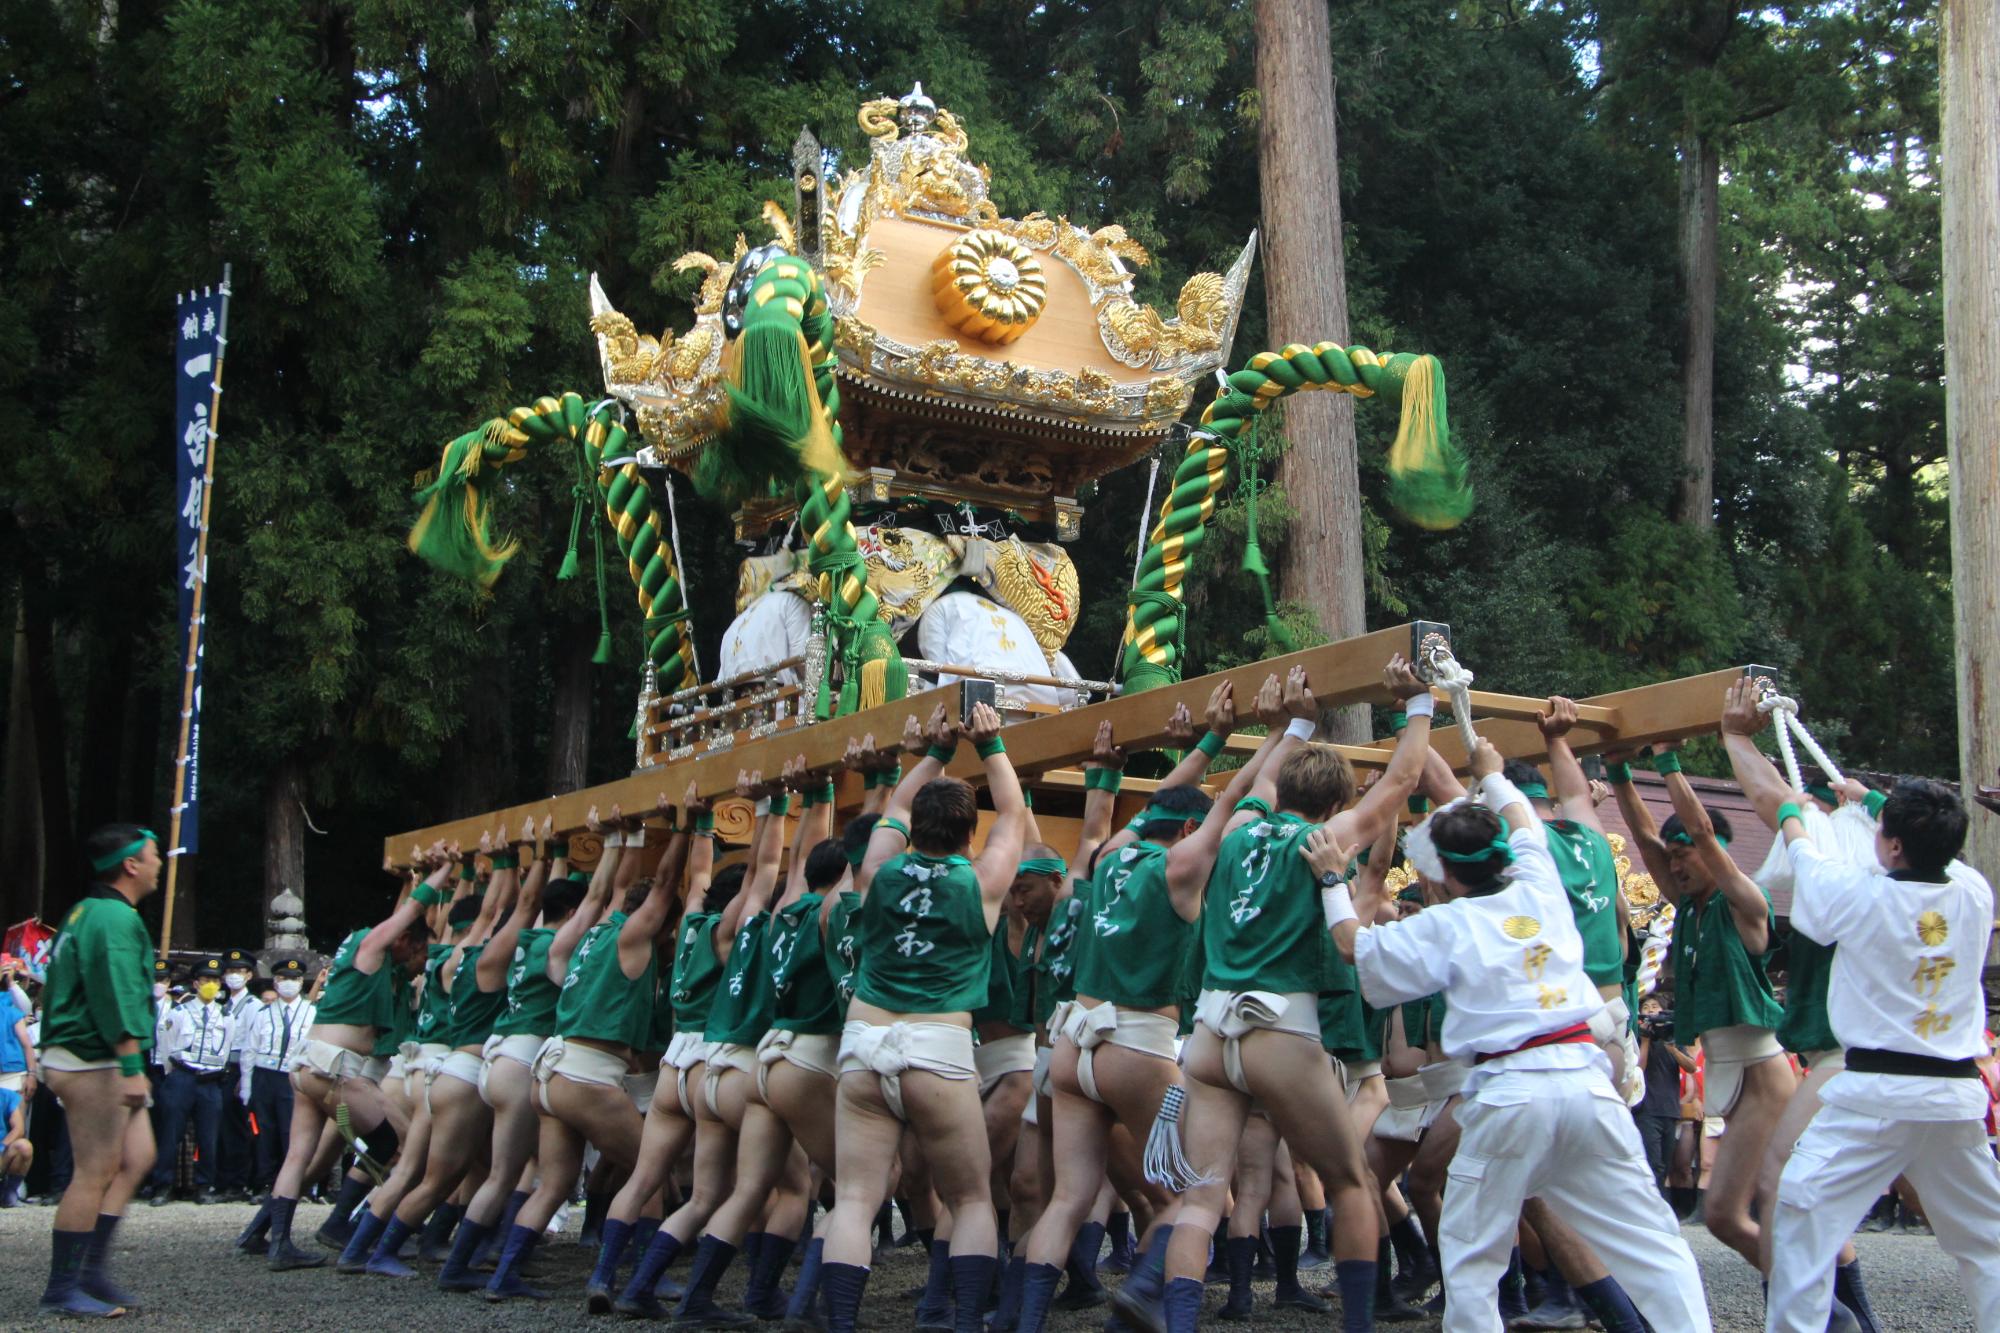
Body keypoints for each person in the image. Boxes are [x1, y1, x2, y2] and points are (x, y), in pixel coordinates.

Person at [1336, 739, 1713, 1333]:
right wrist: (1491, 772)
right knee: (1654, 1242)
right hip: (1587, 1081)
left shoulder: (1447, 922)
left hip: (1510, 1090)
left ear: (1447, 875)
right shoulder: (1538, 880)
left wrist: (1333, 879)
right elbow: (1522, 825)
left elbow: (1354, 947)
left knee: (1470, 1256)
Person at [1154, 659, 1431, 1333]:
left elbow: (1261, 777)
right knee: (1349, 1181)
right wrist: (1416, 701)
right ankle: (1360, 1325)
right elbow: (1400, 780)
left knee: (1200, 1195)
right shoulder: (1324, 838)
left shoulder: (1242, 826)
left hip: (1211, 1032)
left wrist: (1294, 722)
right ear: (1336, 805)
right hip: (1280, 1027)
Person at [1718, 678, 2000, 1330]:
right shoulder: (1973, 892)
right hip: (1955, 1095)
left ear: (1893, 844)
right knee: (1985, 1240)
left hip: (1874, 1091)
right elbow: (1938, 853)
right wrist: (1869, 797)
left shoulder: (1856, 896)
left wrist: (1778, 787)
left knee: (1801, 1218)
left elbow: (1794, 830)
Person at [816, 699, 1025, 1333]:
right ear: (968, 835)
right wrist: (991, 746)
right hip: (938, 1043)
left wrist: (933, 752)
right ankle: (964, 1325)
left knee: (853, 1198)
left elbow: (894, 810)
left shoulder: (876, 873)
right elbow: (1014, 812)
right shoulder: (983, 881)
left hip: (865, 1037)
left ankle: (843, 1324)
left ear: (918, 831)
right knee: (970, 1198)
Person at [1605, 739, 1789, 1276]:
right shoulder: (1689, 908)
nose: (1676, 865)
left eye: (1685, 856)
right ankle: (1813, 1305)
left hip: (1761, 1071)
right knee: (1751, 1216)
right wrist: (1617, 772)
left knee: (1746, 1212)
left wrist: (1667, 762)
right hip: (1730, 1070)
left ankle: (1822, 1308)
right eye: (1674, 857)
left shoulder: (1745, 902)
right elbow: (1644, 838)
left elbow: (1705, 834)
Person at [263, 850, 443, 1270]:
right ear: (404, 941)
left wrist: (413, 876)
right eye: (416, 949)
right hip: (335, 1070)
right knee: (388, 1142)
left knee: (301, 1155)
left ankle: (274, 1240)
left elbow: (404, 914)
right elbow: (410, 913)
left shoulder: (357, 947)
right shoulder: (373, 945)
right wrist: (442, 871)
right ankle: (352, 1225)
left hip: (310, 1065)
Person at [35, 823, 162, 1317]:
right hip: (94, 1055)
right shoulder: (111, 917)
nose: (157, 864)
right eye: (153, 856)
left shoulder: (89, 910)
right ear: (131, 864)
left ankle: (89, 1271)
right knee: (95, 1169)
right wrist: (131, 1064)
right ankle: (62, 1287)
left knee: (137, 1157)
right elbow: (115, 994)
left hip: (92, 1051)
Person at [150, 955, 231, 1205]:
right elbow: (166, 1045)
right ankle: (163, 1185)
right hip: (182, 1075)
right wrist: (171, 1074)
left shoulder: (226, 1016)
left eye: (215, 980)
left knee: (208, 1136)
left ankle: (204, 1185)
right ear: (195, 983)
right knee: (171, 1133)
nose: (211, 984)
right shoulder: (180, 1011)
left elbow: (226, 1048)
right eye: (206, 979)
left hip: (210, 1079)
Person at [241, 957, 316, 1196]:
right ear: (275, 982)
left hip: (293, 1076)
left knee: (291, 1131)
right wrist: (246, 1086)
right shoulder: (263, 1012)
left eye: (293, 979)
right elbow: (249, 1050)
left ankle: (292, 1184)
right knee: (265, 1131)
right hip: (265, 1075)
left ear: (301, 982)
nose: (288, 983)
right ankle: (265, 1182)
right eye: (283, 979)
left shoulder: (311, 1012)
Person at [1633, 996, 1694, 1192]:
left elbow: (1691, 1067)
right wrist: (1645, 1040)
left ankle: (1658, 1205)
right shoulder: (1637, 1037)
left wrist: (1673, 1049)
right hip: (1646, 1110)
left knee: (1665, 1165)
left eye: (1655, 1006)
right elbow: (1638, 1069)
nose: (1650, 1010)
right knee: (1652, 1164)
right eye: (1646, 1007)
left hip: (1669, 1109)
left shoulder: (1672, 1037)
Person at [217, 948, 260, 1199]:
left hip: (240, 1067)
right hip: (220, 1068)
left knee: (238, 1127)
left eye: (239, 971)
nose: (234, 976)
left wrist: (246, 1078)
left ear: (248, 975)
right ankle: (223, 1179)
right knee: (222, 1127)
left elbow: (251, 1043)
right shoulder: (222, 1004)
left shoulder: (253, 1005)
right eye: (230, 971)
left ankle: (238, 1181)